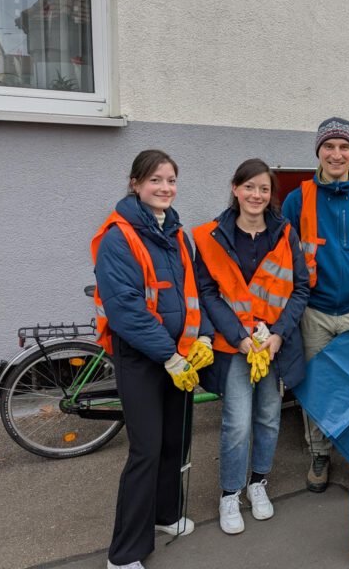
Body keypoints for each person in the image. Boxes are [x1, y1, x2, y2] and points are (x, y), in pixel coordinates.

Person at [93, 150, 215, 569]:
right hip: (143, 360)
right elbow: (126, 308)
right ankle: (124, 554)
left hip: (179, 354)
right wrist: (169, 355)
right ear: (135, 184)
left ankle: (165, 516)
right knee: (145, 451)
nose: (165, 188)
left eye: (171, 180)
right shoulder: (118, 237)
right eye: (155, 181)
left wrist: (205, 339)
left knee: (173, 442)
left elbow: (196, 290)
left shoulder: (177, 233)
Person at [193, 158, 310, 535]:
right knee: (237, 423)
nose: (256, 195)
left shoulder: (285, 233)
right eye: (249, 187)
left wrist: (277, 335)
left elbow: (300, 288)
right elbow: (207, 292)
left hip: (274, 346)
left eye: (263, 189)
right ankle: (230, 493)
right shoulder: (212, 236)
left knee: (268, 418)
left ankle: (258, 482)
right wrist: (239, 338)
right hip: (236, 347)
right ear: (235, 188)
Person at [282, 117, 349, 492]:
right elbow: (285, 261)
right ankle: (320, 454)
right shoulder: (298, 199)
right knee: (318, 388)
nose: (336, 154)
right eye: (329, 146)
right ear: (318, 151)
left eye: (344, 147)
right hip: (315, 311)